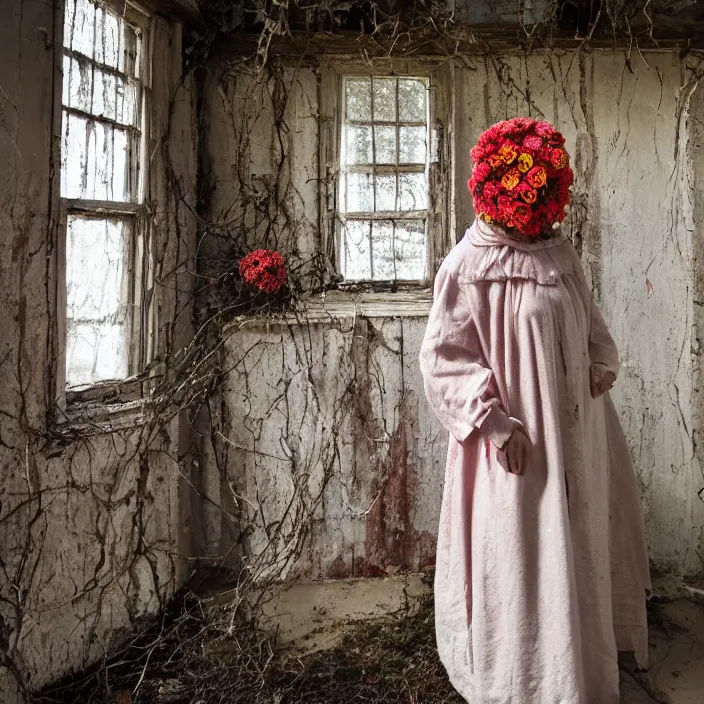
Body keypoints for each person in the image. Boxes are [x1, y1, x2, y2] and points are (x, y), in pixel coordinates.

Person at [419, 117, 651, 704]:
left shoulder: (559, 253)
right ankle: (530, 679)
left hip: (578, 430)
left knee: (578, 539)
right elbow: (443, 357)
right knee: (523, 554)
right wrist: (494, 424)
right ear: (499, 190)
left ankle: (581, 668)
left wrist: (600, 360)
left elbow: (590, 323)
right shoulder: (469, 265)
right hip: (518, 442)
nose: (540, 209)